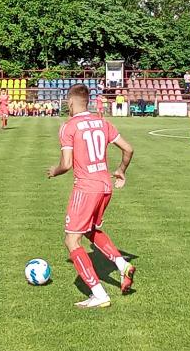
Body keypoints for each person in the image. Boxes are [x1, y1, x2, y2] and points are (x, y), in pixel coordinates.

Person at [47, 84, 136, 309]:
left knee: (71, 240)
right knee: (89, 230)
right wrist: (121, 171)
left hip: (86, 188)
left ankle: (99, 294)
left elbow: (66, 164)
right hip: (106, 185)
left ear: (70, 102)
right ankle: (122, 264)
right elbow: (128, 149)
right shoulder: (102, 122)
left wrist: (54, 171)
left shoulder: (69, 127)